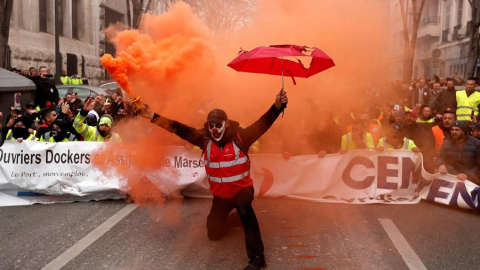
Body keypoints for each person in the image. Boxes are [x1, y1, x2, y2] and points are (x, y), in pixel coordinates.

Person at [140, 89, 288, 270]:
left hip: (242, 191)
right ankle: (234, 221)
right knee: (213, 233)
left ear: (226, 123)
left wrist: (277, 107)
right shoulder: (205, 140)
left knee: (245, 210)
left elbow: (262, 124)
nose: (214, 130)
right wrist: (152, 116)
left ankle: (257, 258)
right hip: (221, 197)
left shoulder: (241, 137)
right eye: (211, 126)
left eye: (218, 125)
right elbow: (180, 129)